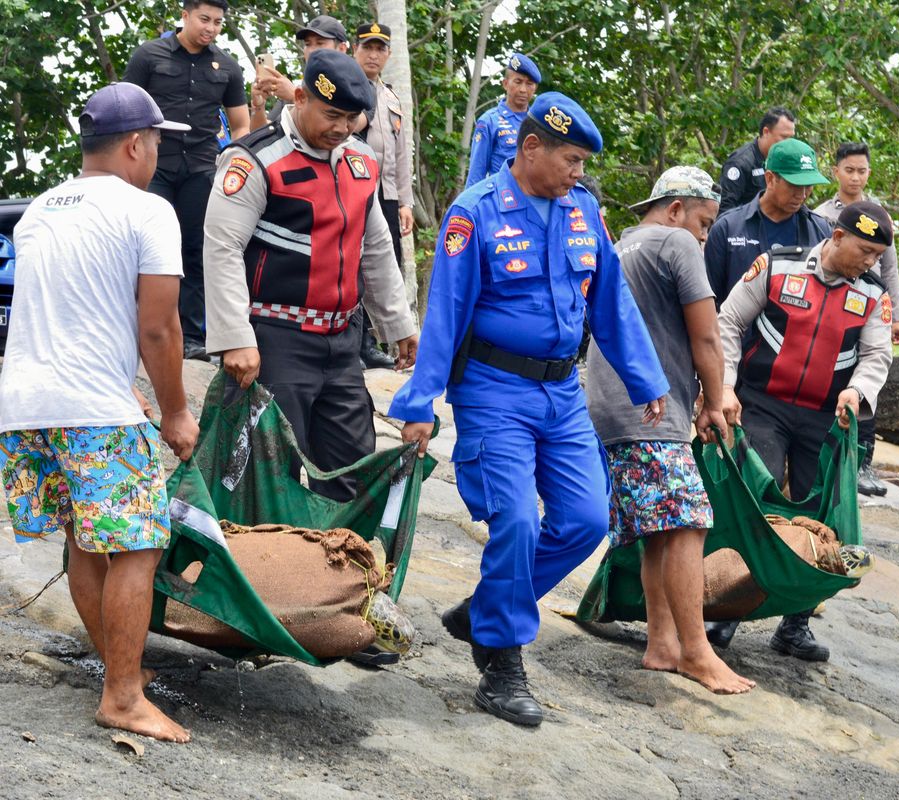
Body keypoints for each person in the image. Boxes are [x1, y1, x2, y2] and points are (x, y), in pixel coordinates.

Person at [389, 92, 669, 727]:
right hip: (494, 390)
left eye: (581, 162)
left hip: (562, 394)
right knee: (514, 522)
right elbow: (446, 314)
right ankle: (501, 661)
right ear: (530, 147)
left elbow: (612, 304)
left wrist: (646, 380)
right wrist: (419, 401)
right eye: (569, 158)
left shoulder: (583, 210)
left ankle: (488, 608)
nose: (577, 171)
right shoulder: (476, 212)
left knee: (587, 520)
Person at [0, 83, 199, 742]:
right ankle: (121, 694)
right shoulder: (147, 212)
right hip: (90, 407)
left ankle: (120, 676)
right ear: (136, 144)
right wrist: (174, 412)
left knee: (85, 534)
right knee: (139, 542)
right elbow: (160, 329)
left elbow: (66, 311)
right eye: (158, 144)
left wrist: (125, 388)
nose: (159, 156)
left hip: (25, 405)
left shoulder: (38, 213)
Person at [202, 50, 418, 502]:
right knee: (266, 479)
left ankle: (334, 570)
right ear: (299, 97)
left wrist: (398, 325)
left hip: (342, 345)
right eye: (332, 115)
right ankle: (262, 572)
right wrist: (234, 338)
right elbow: (222, 249)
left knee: (350, 475)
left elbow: (374, 247)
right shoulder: (254, 160)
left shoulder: (360, 161)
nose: (341, 129)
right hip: (274, 342)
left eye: (352, 119)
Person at [585, 166, 754, 695]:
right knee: (688, 521)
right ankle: (697, 652)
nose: (706, 236)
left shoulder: (621, 245)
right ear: (677, 209)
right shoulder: (676, 245)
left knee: (661, 526)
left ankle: (662, 643)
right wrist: (716, 398)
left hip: (609, 406)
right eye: (705, 223)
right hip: (649, 413)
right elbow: (706, 338)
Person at [712, 201, 895, 661]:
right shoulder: (776, 265)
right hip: (763, 405)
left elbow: (877, 356)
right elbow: (729, 322)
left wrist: (858, 392)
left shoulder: (873, 295)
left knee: (822, 521)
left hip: (825, 417)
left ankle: (794, 626)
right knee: (761, 502)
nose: (870, 262)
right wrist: (725, 386)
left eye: (878, 256)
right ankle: (726, 611)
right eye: (865, 250)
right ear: (836, 237)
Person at [124, 0, 250, 361]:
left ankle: (193, 337)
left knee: (196, 250)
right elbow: (128, 107)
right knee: (145, 249)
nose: (210, 28)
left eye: (218, 22)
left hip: (200, 167)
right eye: (204, 19)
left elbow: (240, 124)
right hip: (153, 165)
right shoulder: (149, 55)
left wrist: (231, 163)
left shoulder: (226, 66)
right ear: (185, 15)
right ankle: (135, 331)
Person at [813, 142, 899, 497]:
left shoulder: (880, 215)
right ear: (836, 171)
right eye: (849, 170)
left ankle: (864, 462)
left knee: (867, 380)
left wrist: (898, 314)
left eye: (862, 170)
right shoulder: (822, 215)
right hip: (833, 305)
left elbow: (891, 269)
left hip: (872, 305)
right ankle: (832, 458)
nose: (855, 176)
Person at [353, 22, 417, 369]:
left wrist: (406, 202)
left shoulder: (391, 97)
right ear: (354, 49)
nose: (373, 55)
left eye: (380, 49)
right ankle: (355, 340)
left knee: (386, 265)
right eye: (367, 47)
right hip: (353, 184)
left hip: (387, 192)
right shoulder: (347, 88)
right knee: (355, 263)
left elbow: (401, 153)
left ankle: (371, 342)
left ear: (388, 53)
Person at [705, 138, 831, 305]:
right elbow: (710, 299)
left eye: (808, 186)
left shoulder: (820, 231)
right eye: (794, 185)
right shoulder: (728, 228)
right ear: (770, 178)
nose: (802, 195)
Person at [250, 15, 349, 130]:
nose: (312, 50)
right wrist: (258, 106)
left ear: (342, 49)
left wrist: (294, 95)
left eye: (320, 43)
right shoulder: (299, 88)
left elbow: (340, 129)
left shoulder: (355, 87)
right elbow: (261, 135)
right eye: (308, 44)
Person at [465, 53, 541, 186]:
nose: (523, 89)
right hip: (501, 199)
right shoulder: (489, 121)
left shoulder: (540, 123)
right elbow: (476, 175)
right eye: (518, 82)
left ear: (535, 88)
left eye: (529, 84)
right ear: (505, 84)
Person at [717, 107, 796, 217]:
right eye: (784, 137)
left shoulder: (785, 161)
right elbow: (725, 207)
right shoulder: (741, 163)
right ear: (766, 132)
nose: (789, 144)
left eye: (791, 138)